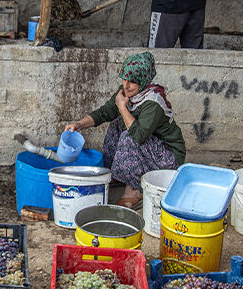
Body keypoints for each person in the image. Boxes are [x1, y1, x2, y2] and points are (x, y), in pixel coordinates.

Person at [64, 51, 185, 209]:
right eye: (124, 79)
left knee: (130, 136)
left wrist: (122, 106)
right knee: (116, 124)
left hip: (168, 158)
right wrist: (79, 124)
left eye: (132, 82)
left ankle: (134, 191)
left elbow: (139, 135)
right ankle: (118, 175)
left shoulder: (153, 102)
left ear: (143, 81)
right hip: (149, 151)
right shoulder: (127, 90)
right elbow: (105, 112)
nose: (126, 85)